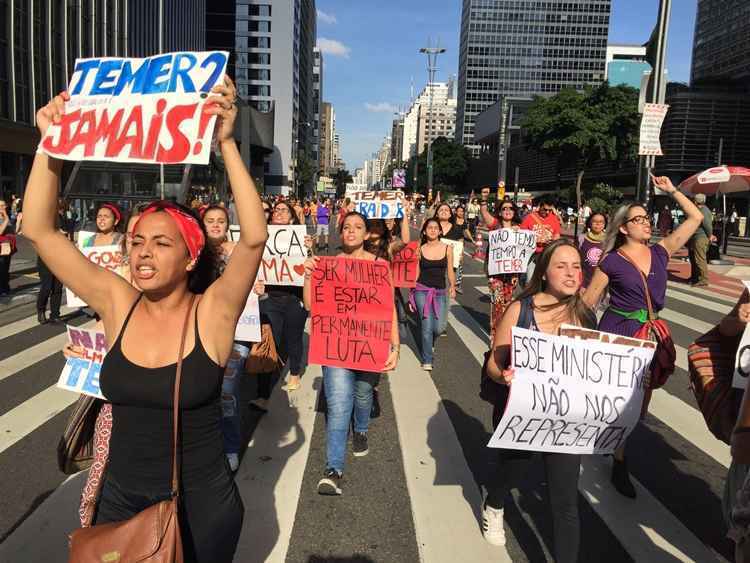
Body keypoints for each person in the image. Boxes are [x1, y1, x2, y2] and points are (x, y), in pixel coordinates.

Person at [24, 79, 267, 562]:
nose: (142, 253)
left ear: (191, 257)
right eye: (136, 242)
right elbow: (39, 229)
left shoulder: (213, 312)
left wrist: (225, 144)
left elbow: (255, 239)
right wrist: (50, 144)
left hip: (199, 507)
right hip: (118, 501)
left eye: (160, 243)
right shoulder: (118, 302)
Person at [583, 175, 702, 499]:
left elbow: (696, 218)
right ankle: (619, 461)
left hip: (649, 334)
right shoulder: (612, 260)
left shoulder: (662, 252)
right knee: (620, 400)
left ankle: (615, 444)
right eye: (638, 220)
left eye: (647, 219)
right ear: (623, 228)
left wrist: (673, 191)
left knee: (639, 405)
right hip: (618, 332)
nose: (646, 224)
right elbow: (589, 302)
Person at [484, 239, 595, 558]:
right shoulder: (521, 309)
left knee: (566, 504)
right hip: (525, 414)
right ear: (544, 272)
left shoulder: (585, 316)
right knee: (513, 470)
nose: (572, 273)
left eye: (576, 266)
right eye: (562, 266)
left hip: (566, 422)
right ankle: (494, 503)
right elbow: (494, 362)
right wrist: (503, 376)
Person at [302, 212, 400, 495]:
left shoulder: (380, 266)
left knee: (362, 393)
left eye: (358, 227)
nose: (351, 231)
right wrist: (309, 276)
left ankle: (361, 429)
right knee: (338, 404)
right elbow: (310, 305)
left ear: (368, 234)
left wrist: (396, 346)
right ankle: (333, 469)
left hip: (369, 346)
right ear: (340, 232)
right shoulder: (326, 265)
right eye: (346, 227)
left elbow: (388, 309)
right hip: (336, 349)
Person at [253, 200, 311, 401]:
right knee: (268, 342)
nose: (278, 213)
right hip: (269, 297)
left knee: (293, 339)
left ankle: (294, 374)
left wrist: (309, 249)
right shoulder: (262, 237)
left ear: (292, 218)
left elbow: (312, 267)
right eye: (275, 210)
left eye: (283, 210)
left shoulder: (301, 239)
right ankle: (262, 393)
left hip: (295, 299)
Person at [202, 204, 245, 472]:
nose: (216, 225)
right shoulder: (193, 253)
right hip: (202, 332)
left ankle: (230, 447)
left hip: (238, 332)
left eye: (220, 221)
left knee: (226, 393)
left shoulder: (241, 252)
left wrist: (259, 287)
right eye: (210, 221)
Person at [409, 217, 456, 371]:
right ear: (424, 231)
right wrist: (412, 292)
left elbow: (450, 270)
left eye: (436, 227)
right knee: (426, 325)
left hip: (440, 292)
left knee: (439, 327)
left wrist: (452, 286)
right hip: (422, 290)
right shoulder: (419, 249)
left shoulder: (448, 248)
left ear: (440, 231)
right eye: (429, 227)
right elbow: (416, 271)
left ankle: (430, 343)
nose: (433, 230)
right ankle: (427, 359)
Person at [479, 200, 522, 340]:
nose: (507, 211)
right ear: (500, 211)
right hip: (496, 272)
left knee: (508, 302)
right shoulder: (495, 226)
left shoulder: (519, 228)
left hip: (512, 273)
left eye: (510, 208)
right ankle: (495, 334)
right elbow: (484, 213)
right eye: (504, 208)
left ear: (514, 211)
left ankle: (505, 330)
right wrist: (484, 201)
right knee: (496, 302)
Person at [518, 196, 561, 280]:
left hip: (547, 255)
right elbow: (522, 235)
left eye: (550, 210)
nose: (547, 212)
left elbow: (557, 235)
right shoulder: (530, 217)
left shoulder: (554, 219)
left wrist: (554, 241)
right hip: (532, 255)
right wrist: (537, 240)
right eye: (545, 209)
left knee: (546, 281)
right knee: (530, 280)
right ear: (540, 206)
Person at [688, 193, 715, 287]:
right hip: (696, 237)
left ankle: (704, 279)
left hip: (701, 237)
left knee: (700, 259)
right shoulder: (699, 210)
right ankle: (695, 277)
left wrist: (710, 235)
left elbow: (707, 225)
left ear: (695, 201)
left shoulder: (704, 211)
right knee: (694, 258)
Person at [577, 212, 607, 289]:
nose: (598, 224)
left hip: (599, 284)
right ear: (590, 223)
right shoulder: (581, 238)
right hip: (581, 281)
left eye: (601, 222)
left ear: (604, 224)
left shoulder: (608, 241)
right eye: (595, 221)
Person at [0, 199, 16, 296]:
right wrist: (6, 218)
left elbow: (14, 231)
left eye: (4, 205)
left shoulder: (6, 217)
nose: (4, 207)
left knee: (6, 268)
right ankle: (2, 289)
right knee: (1, 268)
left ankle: (5, 287)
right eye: (1, 206)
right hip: (1, 246)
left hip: (7, 247)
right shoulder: (4, 218)